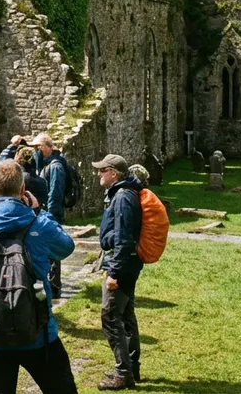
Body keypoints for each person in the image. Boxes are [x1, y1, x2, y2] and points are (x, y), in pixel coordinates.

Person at [0, 159, 78, 394]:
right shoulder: (39, 223)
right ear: (23, 190)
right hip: (38, 331)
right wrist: (39, 211)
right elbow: (66, 247)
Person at [94, 154, 144, 391]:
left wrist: (113, 272)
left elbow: (124, 239)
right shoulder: (124, 193)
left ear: (113, 173)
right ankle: (131, 366)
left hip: (121, 265)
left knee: (111, 317)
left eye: (102, 170)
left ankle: (123, 373)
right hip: (128, 264)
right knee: (126, 316)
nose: (98, 174)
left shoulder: (123, 197)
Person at [30, 133, 69, 298]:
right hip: (43, 213)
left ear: (48, 147)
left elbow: (55, 193)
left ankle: (54, 287)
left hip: (51, 214)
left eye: (38, 147)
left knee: (53, 249)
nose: (36, 151)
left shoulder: (55, 166)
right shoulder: (43, 163)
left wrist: (50, 217)